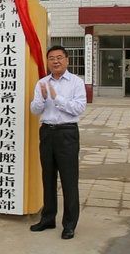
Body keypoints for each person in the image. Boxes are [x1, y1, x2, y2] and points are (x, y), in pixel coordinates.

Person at [29, 45, 87, 240]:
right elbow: (34, 110)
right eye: (52, 58)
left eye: (59, 57)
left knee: (69, 180)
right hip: (47, 132)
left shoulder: (76, 82)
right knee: (48, 177)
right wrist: (44, 98)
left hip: (67, 133)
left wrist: (57, 98)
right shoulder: (42, 83)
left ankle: (69, 224)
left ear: (67, 60)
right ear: (47, 62)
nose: (55, 61)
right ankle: (48, 218)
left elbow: (79, 108)